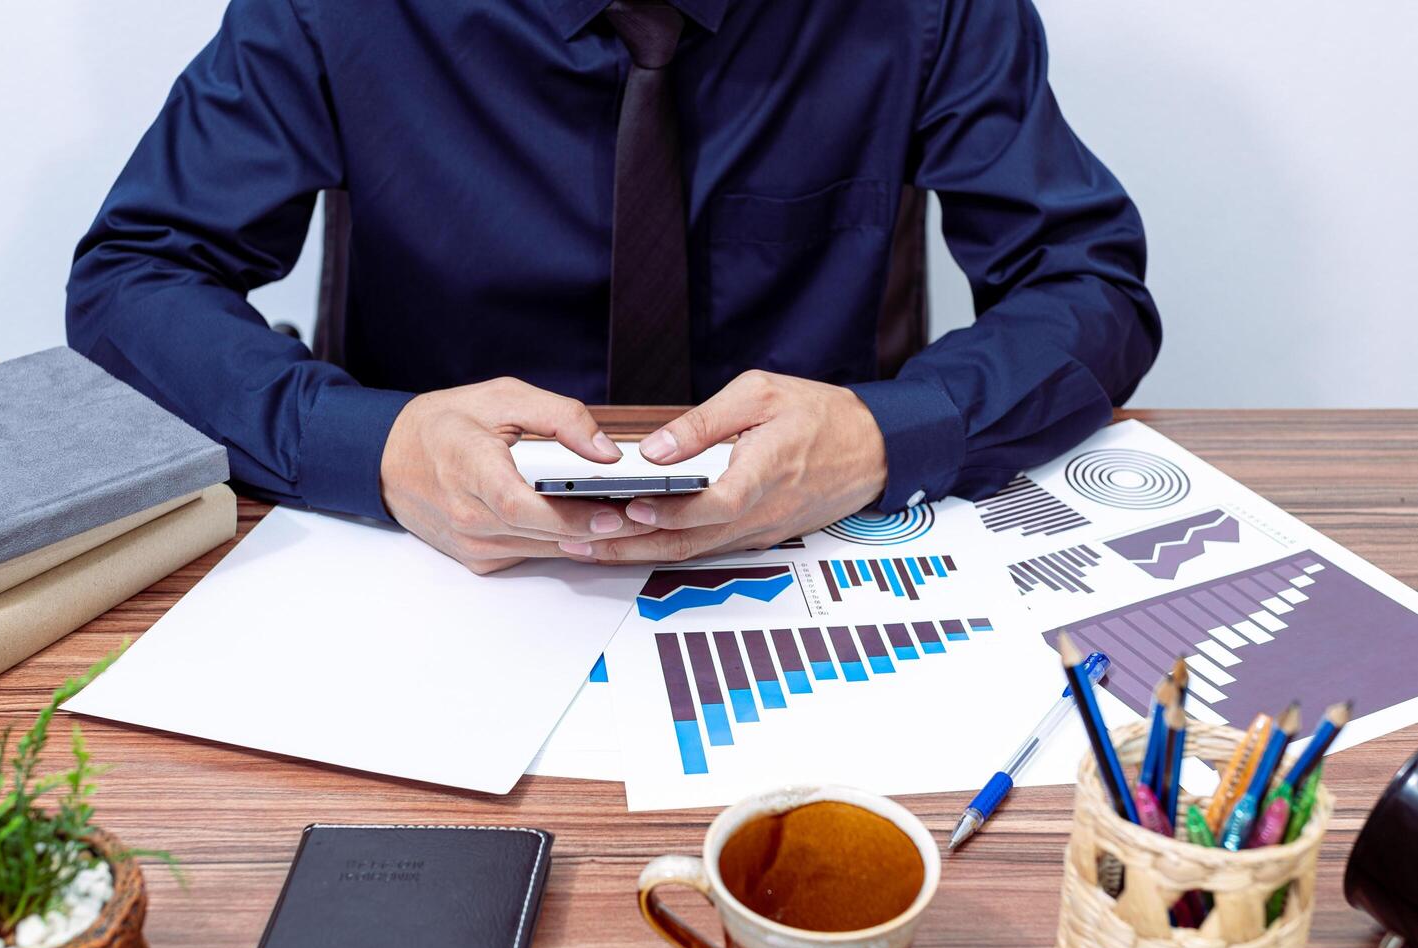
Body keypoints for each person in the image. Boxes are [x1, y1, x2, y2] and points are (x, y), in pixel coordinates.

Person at [67, 0, 1159, 574]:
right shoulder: (335, 8)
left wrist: (886, 434)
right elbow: (136, 277)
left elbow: (1086, 278)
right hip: (430, 571)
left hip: (817, 557)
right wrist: (374, 445)